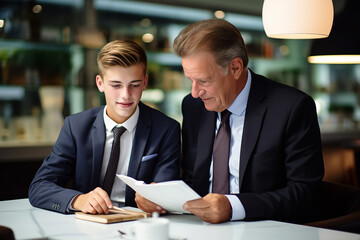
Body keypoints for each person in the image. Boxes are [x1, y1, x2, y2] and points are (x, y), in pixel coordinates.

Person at [173, 19, 324, 224]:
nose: (195, 92)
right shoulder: (193, 107)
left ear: (235, 67)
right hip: (200, 229)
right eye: (190, 80)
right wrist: (161, 199)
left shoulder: (292, 108)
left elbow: (305, 193)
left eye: (204, 81)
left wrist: (233, 207)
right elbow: (192, 179)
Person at [29, 40, 180, 214]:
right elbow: (39, 187)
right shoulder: (76, 127)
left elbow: (166, 191)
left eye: (135, 85)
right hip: (85, 227)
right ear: (100, 83)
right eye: (116, 85)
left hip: (139, 226)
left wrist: (157, 198)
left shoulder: (167, 129)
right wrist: (79, 200)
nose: (126, 95)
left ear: (145, 82)